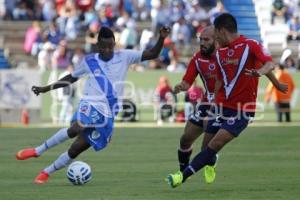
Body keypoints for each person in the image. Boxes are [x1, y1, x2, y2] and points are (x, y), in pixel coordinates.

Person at [16, 26, 170, 184]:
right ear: (98, 45)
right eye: (103, 46)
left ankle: (46, 172)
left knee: (76, 149)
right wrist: (45, 88)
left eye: (110, 46)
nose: (107, 50)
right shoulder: (90, 61)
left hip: (108, 112)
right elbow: (71, 77)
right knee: (76, 128)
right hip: (90, 103)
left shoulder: (125, 56)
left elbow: (153, 54)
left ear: (114, 43)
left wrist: (162, 38)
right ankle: (37, 151)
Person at [166, 13, 288, 188]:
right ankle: (205, 163)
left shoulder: (250, 45)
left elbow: (269, 64)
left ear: (222, 31)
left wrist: (268, 78)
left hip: (242, 110)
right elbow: (219, 79)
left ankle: (181, 177)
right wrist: (213, 102)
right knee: (203, 147)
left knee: (213, 145)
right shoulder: (220, 53)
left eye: (214, 36)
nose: (213, 41)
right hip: (220, 106)